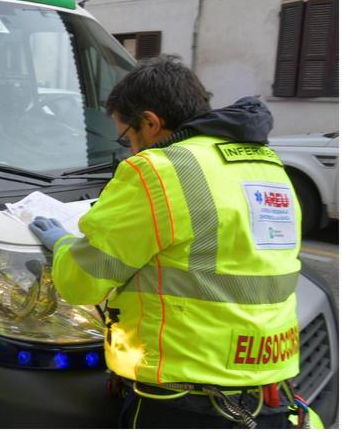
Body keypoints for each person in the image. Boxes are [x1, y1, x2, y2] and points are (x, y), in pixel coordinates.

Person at [29, 55, 304, 428]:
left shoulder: (158, 170)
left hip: (183, 400)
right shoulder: (266, 164)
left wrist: (62, 244)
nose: (129, 149)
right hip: (269, 390)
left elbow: (82, 283)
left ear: (151, 122)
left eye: (126, 136)